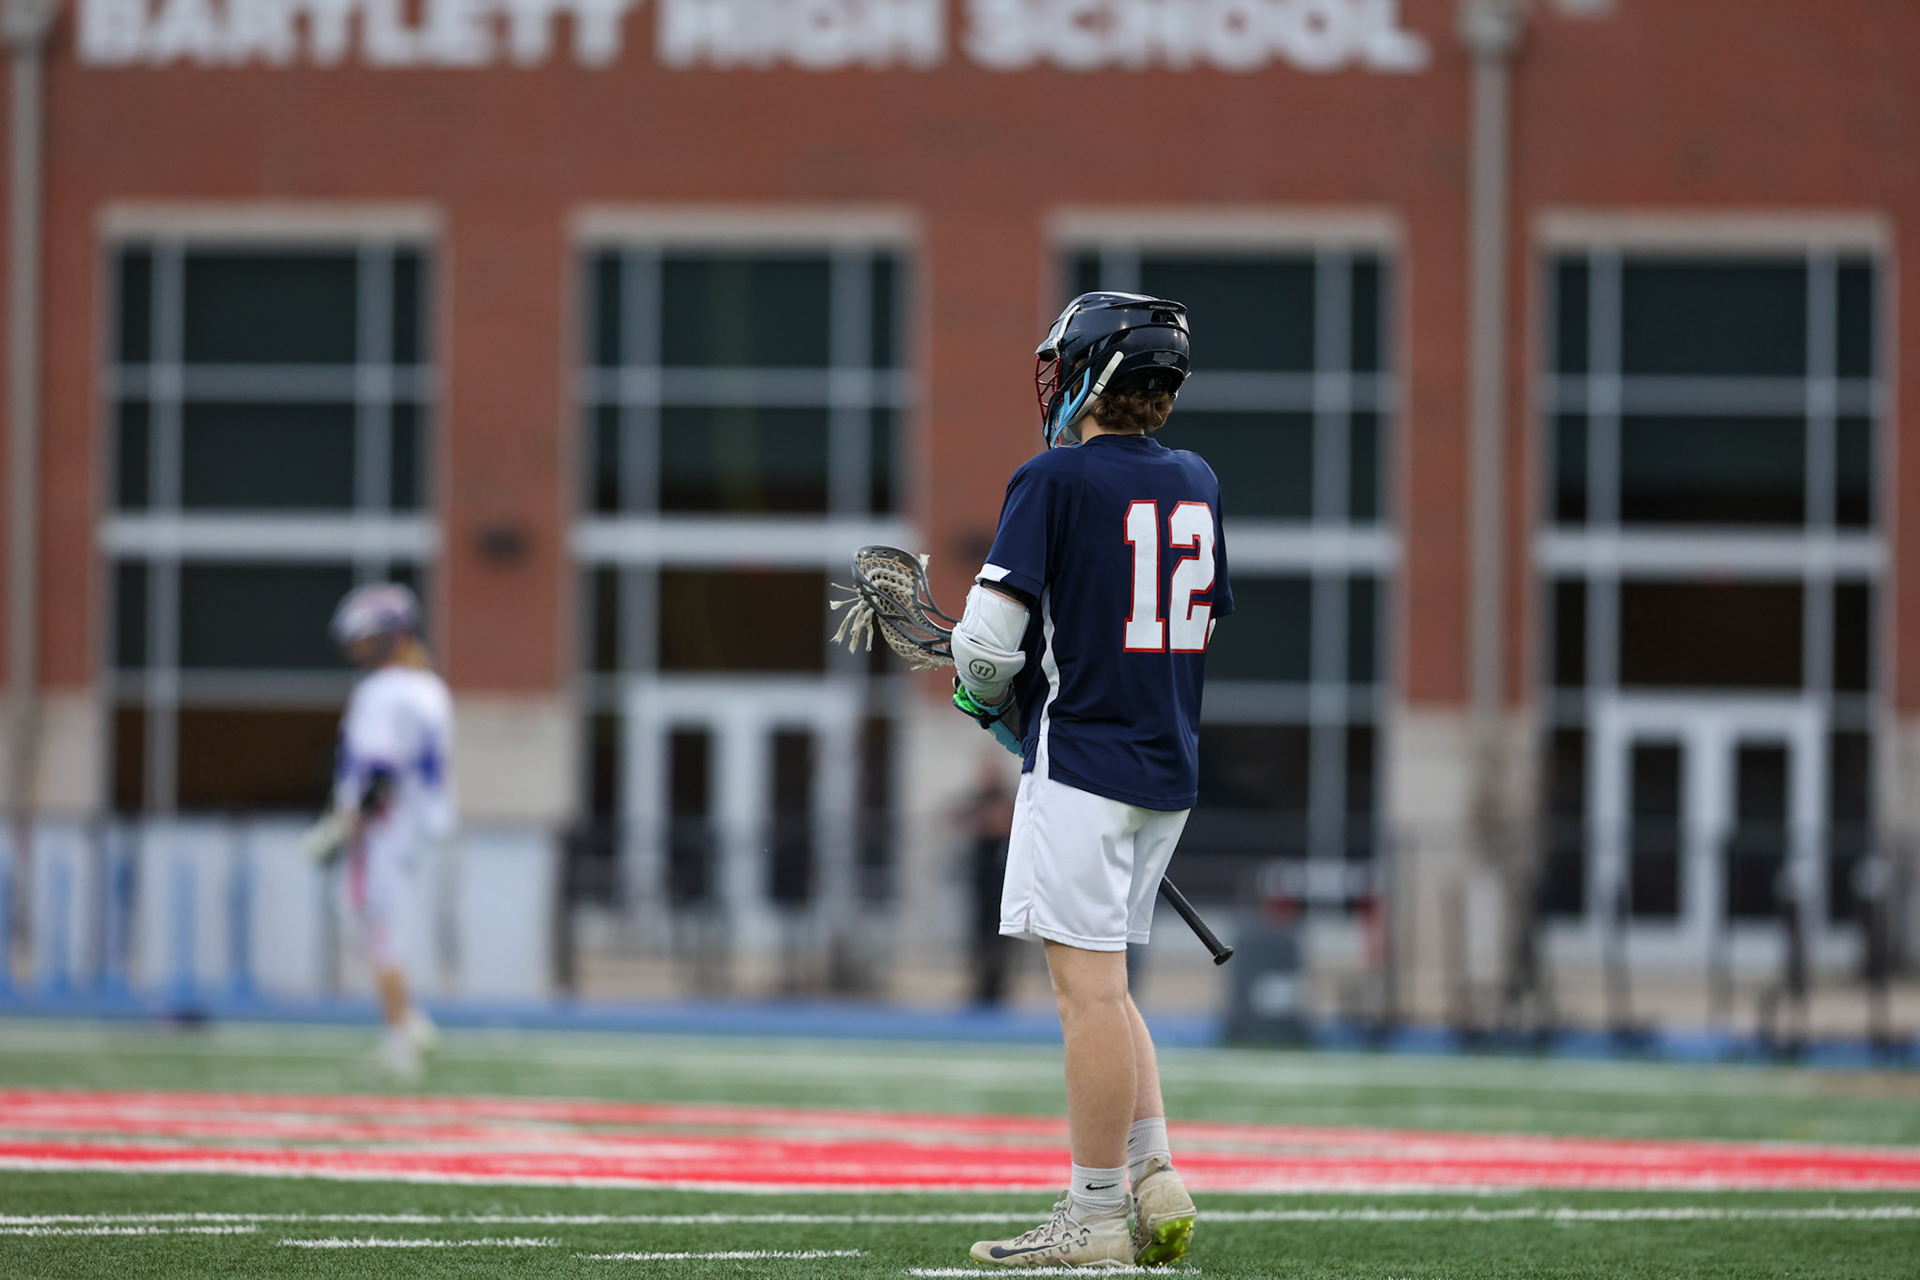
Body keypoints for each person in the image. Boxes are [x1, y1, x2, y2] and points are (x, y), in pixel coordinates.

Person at [949, 292, 1230, 1268]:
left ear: (1093, 373)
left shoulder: (1052, 478)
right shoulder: (1197, 480)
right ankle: (1154, 1174)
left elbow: (989, 644)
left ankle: (1096, 1213)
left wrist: (980, 686)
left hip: (1085, 765)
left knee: (1088, 995)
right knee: (1109, 983)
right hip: (1166, 770)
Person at [325, 582, 455, 1079]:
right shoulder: (430, 688)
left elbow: (379, 772)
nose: (357, 647)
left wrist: (348, 823)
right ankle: (408, 1018)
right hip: (423, 826)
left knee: (375, 929)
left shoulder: (381, 693)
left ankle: (400, 1035)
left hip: (386, 826)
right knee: (385, 928)